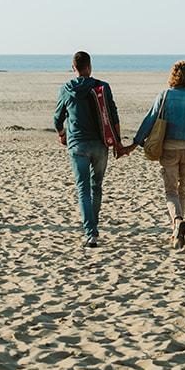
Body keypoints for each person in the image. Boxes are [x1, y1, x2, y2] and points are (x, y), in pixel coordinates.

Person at [131, 60, 185, 249]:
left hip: (169, 148)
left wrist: (136, 142)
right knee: (182, 189)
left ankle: (177, 222)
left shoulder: (165, 95)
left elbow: (150, 119)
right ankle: (177, 234)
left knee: (171, 191)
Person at [53, 51, 126, 247]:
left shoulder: (66, 89)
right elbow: (113, 115)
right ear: (89, 66)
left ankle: (90, 232)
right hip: (101, 145)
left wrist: (62, 134)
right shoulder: (102, 87)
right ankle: (93, 227)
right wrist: (117, 142)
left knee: (83, 189)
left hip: (77, 145)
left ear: (73, 67)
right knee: (96, 187)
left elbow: (57, 118)